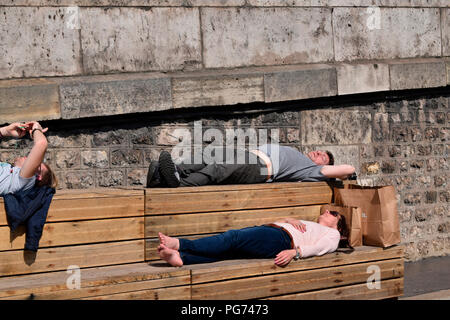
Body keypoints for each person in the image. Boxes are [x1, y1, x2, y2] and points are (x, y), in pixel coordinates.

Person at [157, 209, 349, 267]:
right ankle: (182, 258)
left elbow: (322, 248)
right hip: (275, 234)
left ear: (338, 224)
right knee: (229, 251)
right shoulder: (313, 225)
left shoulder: (333, 235)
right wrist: (289, 218)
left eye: (332, 212)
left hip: (280, 239)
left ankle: (181, 243)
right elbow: (282, 221)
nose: (325, 211)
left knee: (232, 238)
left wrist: (295, 252)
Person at [147, 143, 356, 188]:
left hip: (261, 168)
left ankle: (179, 185)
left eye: (324, 157)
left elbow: (349, 169)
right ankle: (168, 173)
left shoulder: (312, 170)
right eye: (320, 151)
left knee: (218, 169)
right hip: (250, 156)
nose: (319, 153)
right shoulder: (297, 153)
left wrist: (343, 175)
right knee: (208, 154)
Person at [0, 121, 57, 195]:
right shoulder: (9, 172)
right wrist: (5, 131)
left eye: (37, 165)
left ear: (38, 177)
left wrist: (36, 129)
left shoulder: (22, 182)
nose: (31, 159)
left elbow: (41, 144)